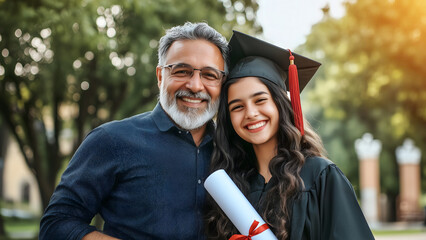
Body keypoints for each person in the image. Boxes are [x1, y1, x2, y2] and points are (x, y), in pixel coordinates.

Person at [39, 22, 228, 240]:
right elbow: (57, 224)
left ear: (222, 83)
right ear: (160, 77)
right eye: (182, 71)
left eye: (209, 75)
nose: (195, 86)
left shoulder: (233, 149)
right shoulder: (111, 140)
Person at [205, 31, 374, 240]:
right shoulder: (231, 187)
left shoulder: (320, 176)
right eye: (237, 106)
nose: (250, 113)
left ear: (280, 104)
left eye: (260, 100)